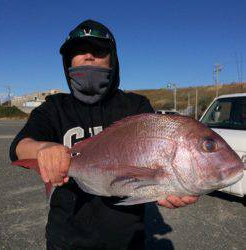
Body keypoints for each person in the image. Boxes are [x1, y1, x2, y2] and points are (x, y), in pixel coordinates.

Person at [10, 19, 198, 250]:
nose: (89, 56)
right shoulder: (53, 107)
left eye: (99, 51)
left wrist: (171, 183)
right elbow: (19, 147)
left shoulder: (136, 106)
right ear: (68, 61)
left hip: (127, 241)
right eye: (78, 51)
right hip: (65, 239)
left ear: (113, 60)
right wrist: (42, 150)